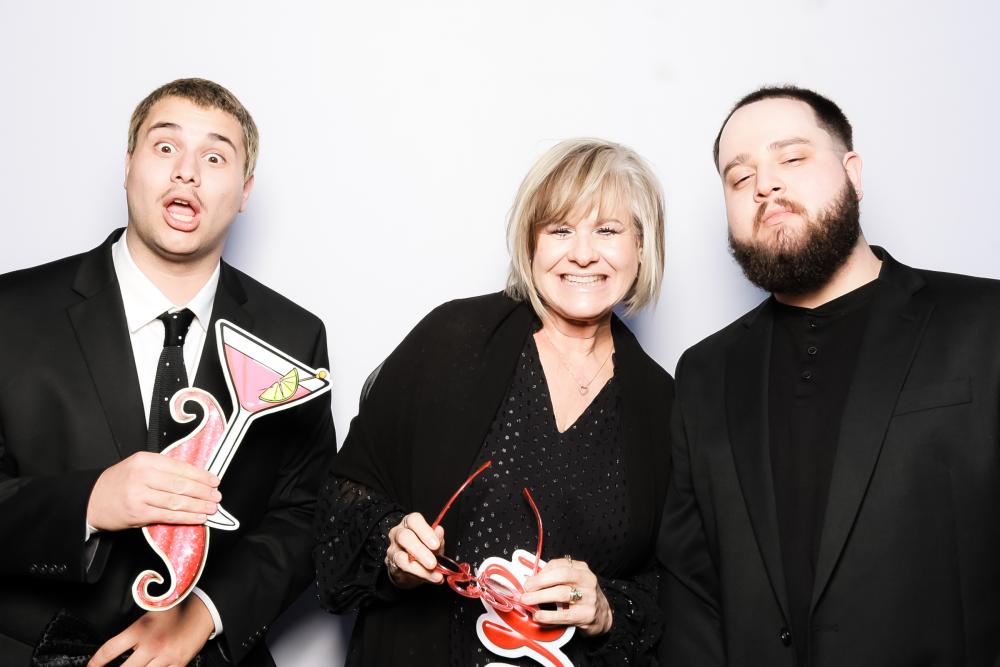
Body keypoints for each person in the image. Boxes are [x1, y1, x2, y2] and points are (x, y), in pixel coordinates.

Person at [657, 85, 1000, 666]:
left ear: (853, 174)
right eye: (740, 177)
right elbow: (691, 588)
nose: (765, 185)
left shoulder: (985, 323)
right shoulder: (704, 372)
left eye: (792, 158)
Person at [0, 78, 336, 666]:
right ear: (128, 165)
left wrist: (203, 617)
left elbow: (306, 514)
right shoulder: (12, 311)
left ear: (244, 191)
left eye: (215, 157)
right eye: (165, 147)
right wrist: (90, 502)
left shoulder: (293, 337)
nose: (187, 172)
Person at [315, 138, 673, 666]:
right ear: (530, 245)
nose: (583, 253)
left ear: (641, 247)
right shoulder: (452, 340)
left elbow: (674, 588)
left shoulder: (664, 403)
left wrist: (606, 609)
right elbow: (344, 497)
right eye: (560, 230)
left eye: (607, 230)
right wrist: (393, 549)